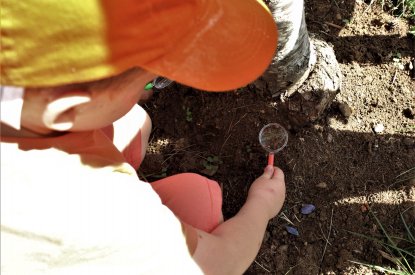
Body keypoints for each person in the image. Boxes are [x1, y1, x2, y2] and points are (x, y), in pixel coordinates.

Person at [0, 0, 286, 274]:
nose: (147, 92)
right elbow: (219, 264)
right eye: (147, 83)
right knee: (199, 201)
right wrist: (262, 206)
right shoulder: (90, 209)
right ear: (68, 107)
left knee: (135, 123)